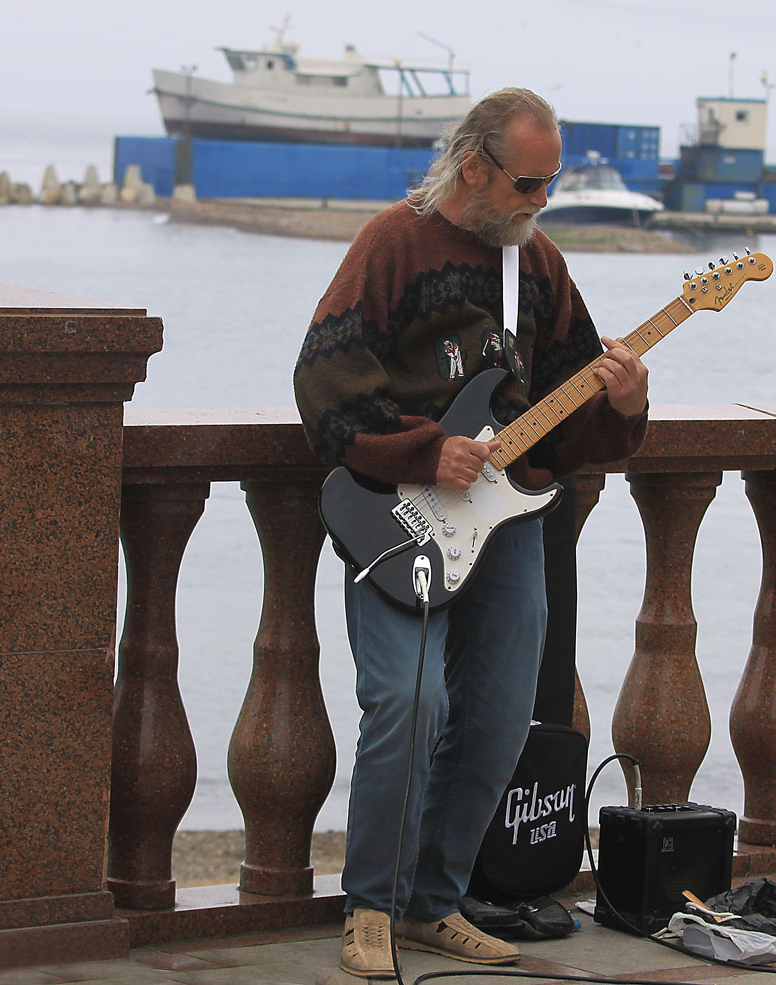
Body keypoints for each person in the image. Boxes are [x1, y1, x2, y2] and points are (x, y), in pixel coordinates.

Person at [294, 87, 649, 980]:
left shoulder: (538, 266)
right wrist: (425, 451)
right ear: (476, 166)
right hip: (399, 513)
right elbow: (323, 378)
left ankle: (430, 904)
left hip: (510, 520)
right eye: (530, 183)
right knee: (410, 703)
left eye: (553, 183)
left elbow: (567, 421)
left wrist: (626, 407)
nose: (542, 201)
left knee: (498, 717)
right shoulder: (392, 243)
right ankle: (370, 903)